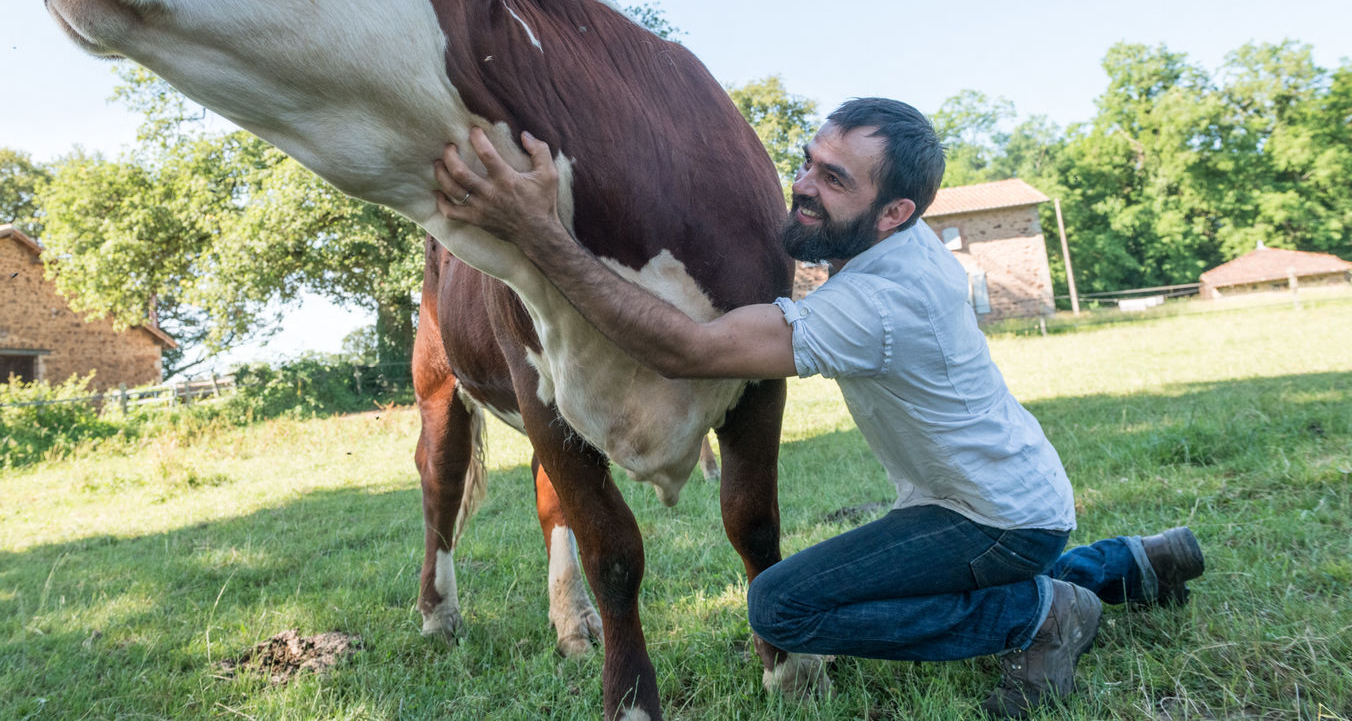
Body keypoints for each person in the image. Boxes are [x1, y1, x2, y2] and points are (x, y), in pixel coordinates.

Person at [432, 97, 1205, 718]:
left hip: (992, 519)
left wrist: (540, 235)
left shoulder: (876, 304)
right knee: (903, 579)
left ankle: (1041, 617)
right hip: (1015, 496)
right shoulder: (889, 250)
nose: (803, 184)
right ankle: (1130, 563)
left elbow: (689, 351)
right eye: (808, 161)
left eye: (835, 179)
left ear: (894, 211)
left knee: (781, 607)